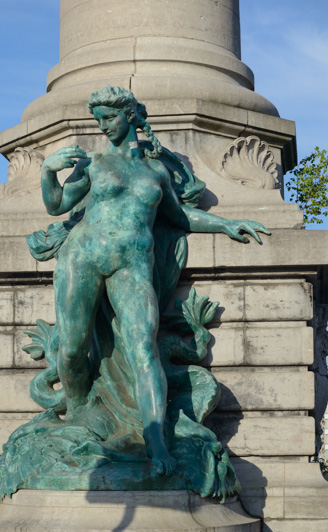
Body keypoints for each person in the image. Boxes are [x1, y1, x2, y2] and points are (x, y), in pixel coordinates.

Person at [40, 85, 269, 476]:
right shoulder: (93, 163)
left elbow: (181, 217)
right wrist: (48, 169)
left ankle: (157, 442)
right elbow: (56, 205)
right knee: (74, 349)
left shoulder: (156, 169)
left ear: (130, 115)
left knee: (143, 349)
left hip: (132, 264)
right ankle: (80, 417)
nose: (103, 125)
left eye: (109, 117)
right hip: (83, 256)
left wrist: (226, 223)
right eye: (98, 119)